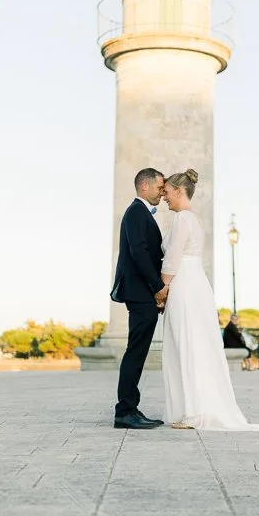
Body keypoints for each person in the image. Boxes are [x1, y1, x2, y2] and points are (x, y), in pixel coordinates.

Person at [158, 169, 259, 432]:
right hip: (196, 282)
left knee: (185, 343)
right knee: (194, 343)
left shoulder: (181, 219)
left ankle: (192, 412)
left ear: (179, 191)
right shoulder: (194, 220)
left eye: (166, 192)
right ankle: (194, 408)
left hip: (183, 283)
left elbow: (172, 257)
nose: (164, 197)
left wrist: (162, 288)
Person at [109, 167, 169, 429]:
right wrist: (158, 287)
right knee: (135, 352)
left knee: (138, 352)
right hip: (141, 293)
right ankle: (124, 411)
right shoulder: (136, 212)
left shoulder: (140, 212)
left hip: (141, 292)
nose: (162, 192)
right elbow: (140, 253)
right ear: (145, 186)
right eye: (159, 187)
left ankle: (130, 408)